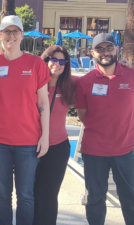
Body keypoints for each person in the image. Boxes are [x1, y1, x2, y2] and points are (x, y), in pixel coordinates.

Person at [0, 15, 51, 225]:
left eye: (15, 31)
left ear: (22, 35)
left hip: (28, 141)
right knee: (2, 195)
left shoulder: (36, 63)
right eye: (6, 32)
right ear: (0, 35)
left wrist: (45, 137)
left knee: (26, 196)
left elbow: (43, 103)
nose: (11, 36)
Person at [75, 33, 134, 225]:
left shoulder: (131, 75)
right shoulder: (85, 82)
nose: (105, 53)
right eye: (100, 49)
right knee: (95, 200)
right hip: (94, 151)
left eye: (109, 48)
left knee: (130, 199)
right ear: (92, 53)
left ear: (116, 50)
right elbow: (83, 115)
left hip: (125, 150)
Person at [33, 46, 77, 225]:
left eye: (62, 61)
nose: (58, 64)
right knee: (31, 194)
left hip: (58, 147)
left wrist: (123, 66)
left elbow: (100, 78)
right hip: (30, 147)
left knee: (49, 195)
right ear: (45, 60)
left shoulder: (70, 85)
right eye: (54, 59)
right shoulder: (32, 83)